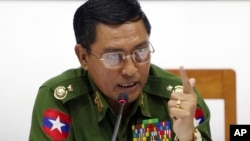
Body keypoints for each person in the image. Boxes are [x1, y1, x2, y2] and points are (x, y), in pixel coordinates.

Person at [29, 0, 212, 140]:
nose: (131, 70)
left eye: (140, 51)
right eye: (113, 57)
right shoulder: (60, 100)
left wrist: (187, 136)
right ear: (83, 57)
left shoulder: (179, 99)